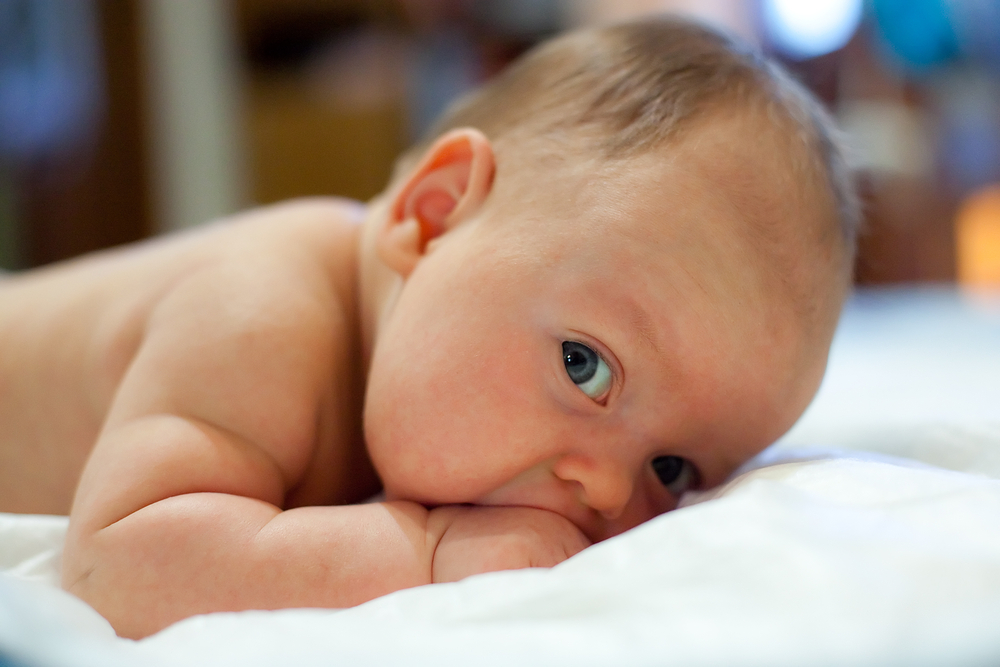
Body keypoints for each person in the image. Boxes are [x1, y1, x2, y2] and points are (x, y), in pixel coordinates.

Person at [0, 16, 858, 639]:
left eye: (670, 467)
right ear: (436, 215)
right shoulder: (259, 311)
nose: (607, 496)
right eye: (585, 365)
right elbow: (116, 564)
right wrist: (427, 549)